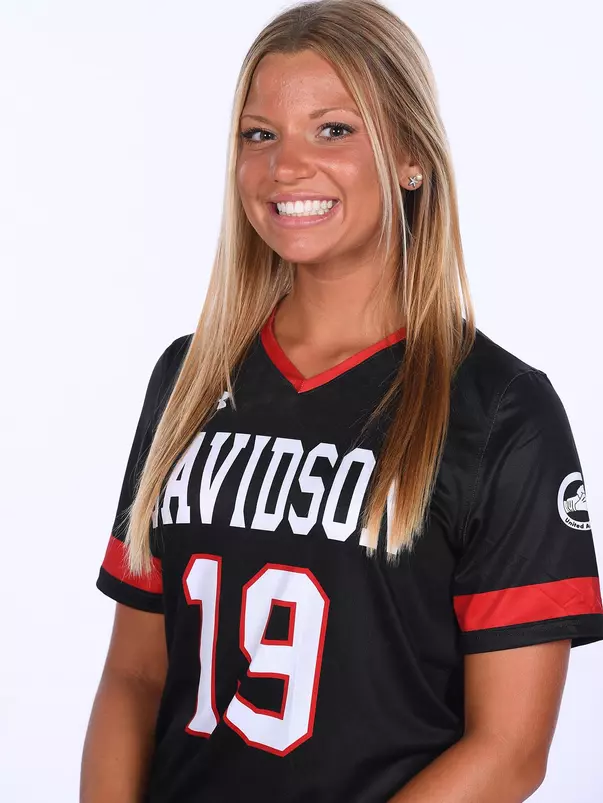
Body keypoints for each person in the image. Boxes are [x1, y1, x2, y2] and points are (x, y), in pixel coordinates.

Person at [80, 1, 603, 801]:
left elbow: (508, 750)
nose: (285, 166)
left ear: (411, 157)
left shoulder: (502, 410)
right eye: (259, 134)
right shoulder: (188, 378)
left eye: (332, 130)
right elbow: (134, 676)